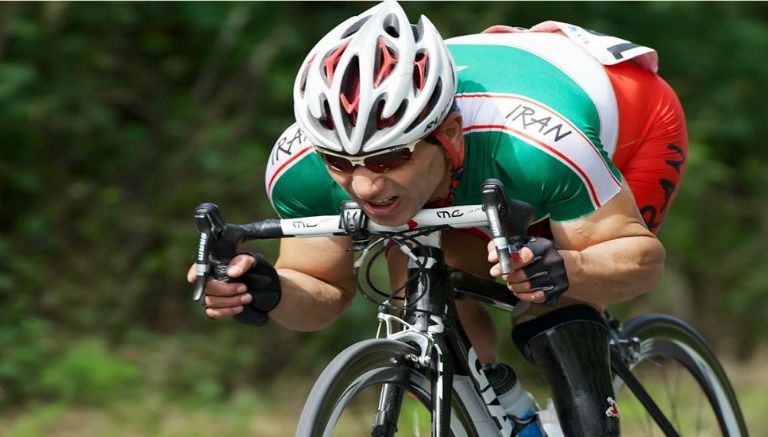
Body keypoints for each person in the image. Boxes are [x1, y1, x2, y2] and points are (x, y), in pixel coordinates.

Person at [187, 2, 688, 435]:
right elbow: (320, 290)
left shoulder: (537, 146)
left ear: (447, 133)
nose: (364, 187)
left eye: (389, 159)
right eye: (340, 164)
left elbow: (639, 261)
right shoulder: (300, 166)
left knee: (551, 297)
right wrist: (269, 289)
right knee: (421, 298)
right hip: (474, 160)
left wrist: (567, 270)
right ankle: (505, 413)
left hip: (630, 113)